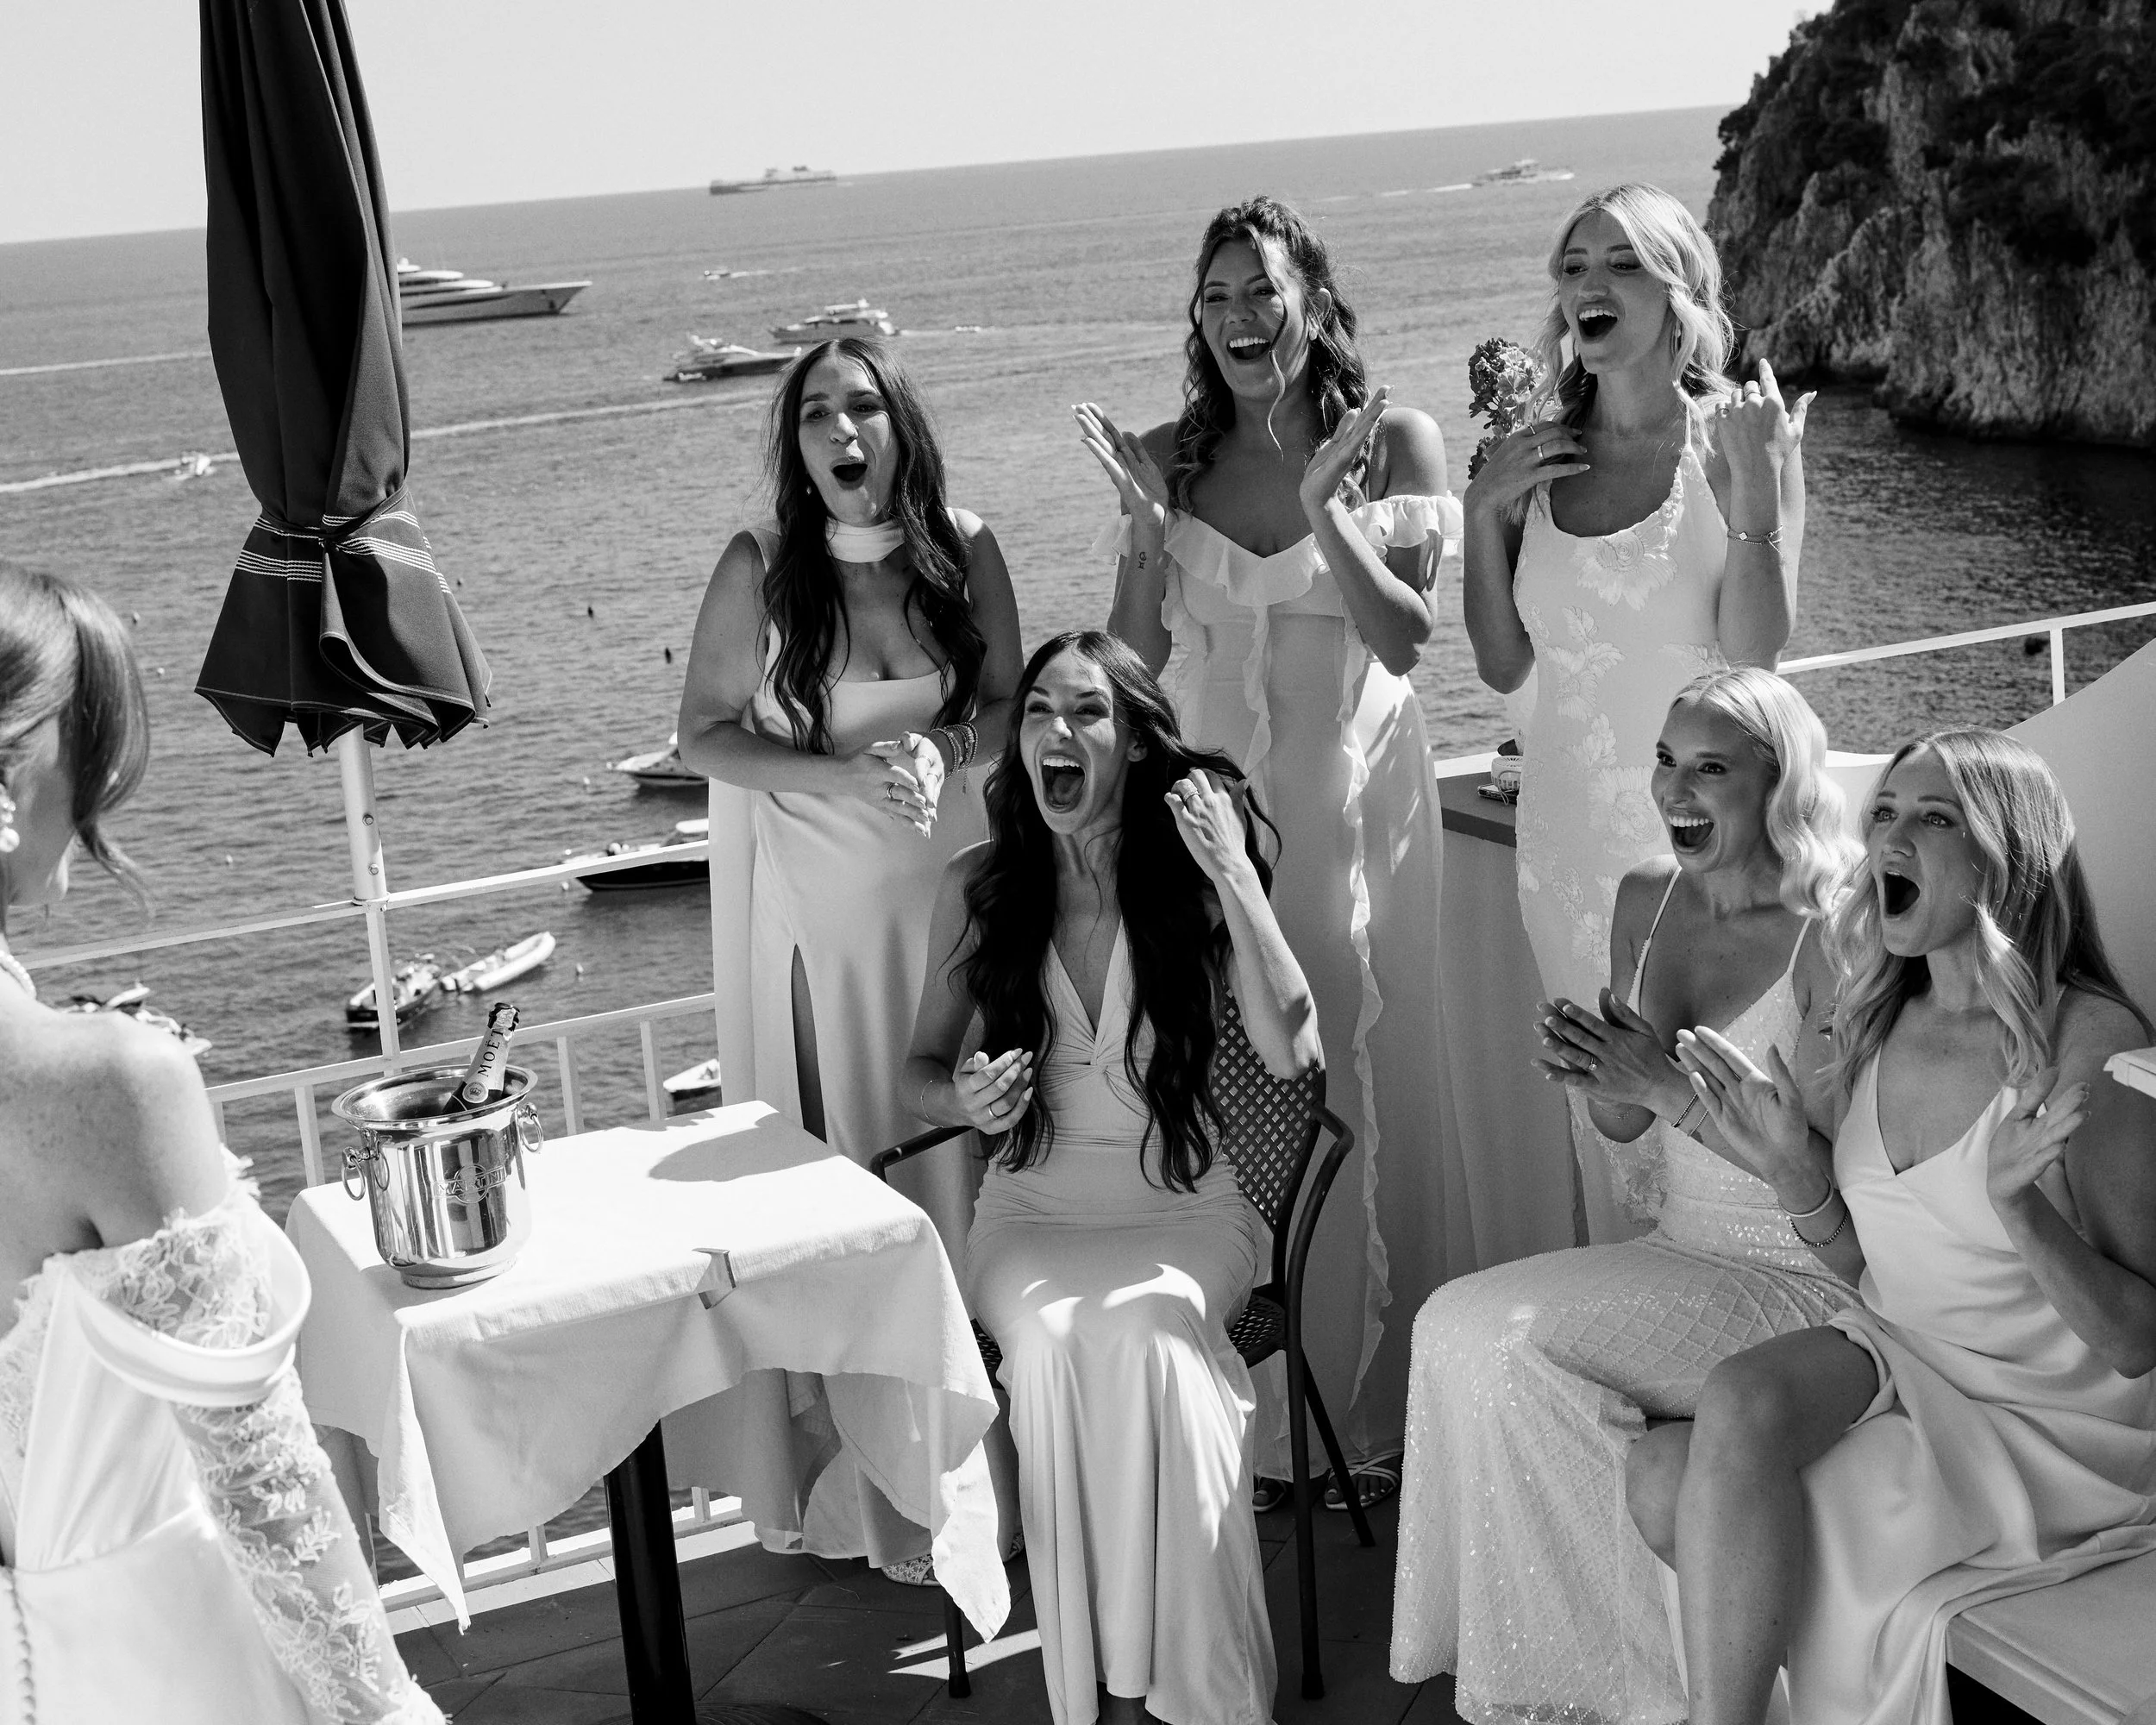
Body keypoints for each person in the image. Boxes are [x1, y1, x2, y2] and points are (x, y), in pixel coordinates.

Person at [1630, 729, 2156, 1725]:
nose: (1889, 840)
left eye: (1933, 817)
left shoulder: (2089, 1041)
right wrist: (1794, 1168)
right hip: (1910, 1363)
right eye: (1881, 813)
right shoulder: (1877, 1013)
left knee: (1718, 1447)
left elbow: (2138, 1340)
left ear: (2007, 854)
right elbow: (1870, 1261)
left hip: (2047, 1428)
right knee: (1660, 1469)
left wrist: (2019, 1210)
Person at [0, 561, 441, 1723]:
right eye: (83, 755)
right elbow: (266, 1490)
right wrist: (390, 1713)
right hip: (180, 1673)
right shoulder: (107, 1086)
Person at [1076, 194, 1468, 1499]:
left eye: (1264, 289)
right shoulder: (1165, 454)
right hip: (1199, 816)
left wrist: (1324, 507)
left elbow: (1409, 639)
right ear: (1196, 319)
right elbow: (1127, 665)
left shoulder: (1392, 437)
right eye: (1218, 296)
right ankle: (1226, 1408)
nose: (1242, 316)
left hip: (1343, 810)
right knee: (1208, 1088)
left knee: (1334, 1084)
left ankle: (1338, 1419)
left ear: (1313, 296)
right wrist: (1142, 536)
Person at [1389, 668, 1861, 1724]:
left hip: (1801, 1268)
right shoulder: (1647, 895)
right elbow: (1622, 1124)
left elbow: (1825, 1172)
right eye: (1663, 758)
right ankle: (1618, 1678)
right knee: (1454, 1322)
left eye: (1709, 767)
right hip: (1680, 1239)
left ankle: (1643, 1693)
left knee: (1509, 1345)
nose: (1675, 788)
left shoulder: (1830, 929)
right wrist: (1598, 1076)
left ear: (1775, 780)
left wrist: (1658, 1084)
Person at [906, 630, 1320, 1725]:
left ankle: (1191, 1696)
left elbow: (1293, 1047)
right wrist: (965, 1101)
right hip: (1033, 1207)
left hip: (1192, 1202)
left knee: (1153, 1338)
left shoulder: (1191, 876)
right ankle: (1103, 1693)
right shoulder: (978, 885)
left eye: (1087, 712)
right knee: (1045, 1346)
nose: (1055, 729)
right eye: (1039, 707)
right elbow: (915, 1074)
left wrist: (1233, 868)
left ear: (1134, 743)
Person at [1459, 182, 1816, 1242]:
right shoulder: (1534, 459)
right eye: (1572, 267)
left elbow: (1757, 653)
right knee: (1606, 1121)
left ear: (1675, 291)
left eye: (1618, 263)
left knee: (1720, 1110)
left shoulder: (1740, 444)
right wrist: (1483, 513)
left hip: (1704, 847)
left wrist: (1753, 502)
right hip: (1565, 850)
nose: (1588, 286)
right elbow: (1501, 661)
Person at [680, 337, 1024, 1264]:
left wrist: (943, 743)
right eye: (815, 411)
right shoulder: (760, 566)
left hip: (960, 919)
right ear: (797, 447)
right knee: (850, 1168)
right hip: (823, 934)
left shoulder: (966, 545)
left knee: (973, 1155)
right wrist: (841, 774)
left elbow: (1011, 709)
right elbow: (703, 732)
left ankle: (989, 1388)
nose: (841, 427)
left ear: (899, 425)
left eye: (863, 405)